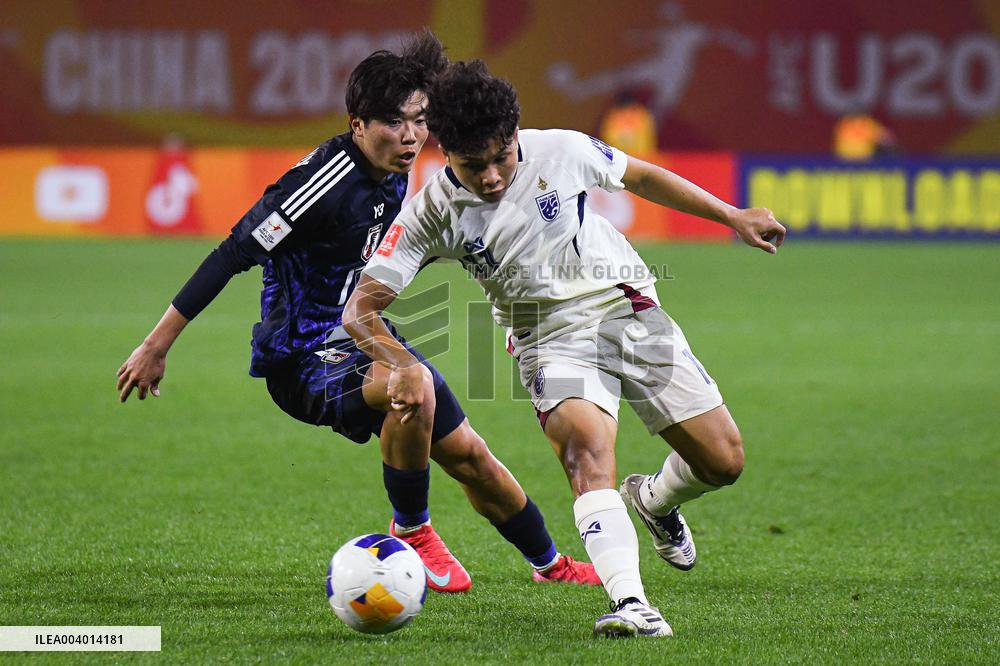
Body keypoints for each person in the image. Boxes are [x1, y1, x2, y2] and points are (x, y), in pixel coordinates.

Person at [116, 32, 599, 594]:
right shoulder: (320, 184)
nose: (412, 135)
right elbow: (232, 253)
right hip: (301, 356)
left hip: (361, 335)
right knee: (411, 382)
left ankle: (550, 565)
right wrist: (157, 344)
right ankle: (413, 529)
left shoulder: (397, 169)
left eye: (420, 120)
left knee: (470, 454)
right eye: (396, 123)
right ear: (358, 125)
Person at [343, 59, 785, 637]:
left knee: (723, 462)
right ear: (445, 152)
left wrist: (732, 215)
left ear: (516, 135)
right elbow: (360, 308)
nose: (493, 176)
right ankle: (632, 604)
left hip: (628, 308)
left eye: (502, 157)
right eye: (474, 166)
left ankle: (653, 500)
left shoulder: (564, 150)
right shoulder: (430, 211)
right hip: (547, 340)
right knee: (586, 455)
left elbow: (641, 177)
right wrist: (398, 361)